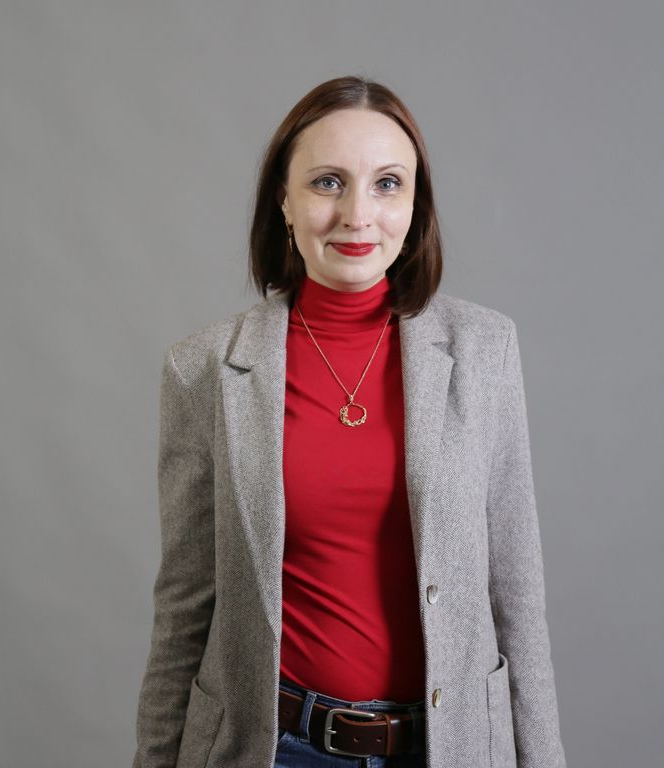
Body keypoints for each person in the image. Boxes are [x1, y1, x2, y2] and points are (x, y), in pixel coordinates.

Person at [132, 75, 567, 768]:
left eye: (387, 184)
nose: (358, 214)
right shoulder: (204, 369)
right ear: (284, 200)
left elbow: (517, 597)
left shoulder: (485, 351)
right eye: (328, 182)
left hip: (451, 747)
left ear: (415, 204)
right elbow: (184, 608)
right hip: (276, 747)